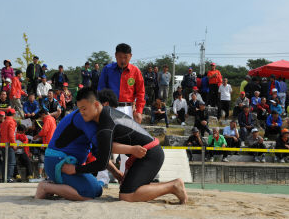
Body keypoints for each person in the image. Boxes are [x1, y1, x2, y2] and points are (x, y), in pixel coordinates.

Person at [36, 87, 188, 203]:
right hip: (59, 161)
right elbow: (103, 151)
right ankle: (47, 187)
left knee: (119, 193)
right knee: (99, 192)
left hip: (148, 154)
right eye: (80, 109)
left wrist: (118, 166)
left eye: (84, 109)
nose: (82, 113)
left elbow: (103, 152)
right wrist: (121, 165)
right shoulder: (91, 120)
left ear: (98, 105)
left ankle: (173, 186)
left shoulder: (102, 122)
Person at [98, 43, 145, 124]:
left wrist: (139, 111)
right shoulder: (107, 69)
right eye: (120, 57)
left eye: (125, 57)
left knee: (127, 135)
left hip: (128, 109)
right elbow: (101, 89)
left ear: (130, 56)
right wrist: (103, 103)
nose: (123, 60)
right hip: (110, 108)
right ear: (115, 55)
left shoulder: (136, 71)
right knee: (111, 134)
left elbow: (141, 92)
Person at [32, 108, 57, 179]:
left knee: (43, 159)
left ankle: (45, 176)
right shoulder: (52, 119)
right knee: (47, 159)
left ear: (43, 114)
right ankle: (49, 175)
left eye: (41, 116)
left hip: (47, 143)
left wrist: (37, 136)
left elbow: (44, 131)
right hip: (50, 142)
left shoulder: (47, 119)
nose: (41, 118)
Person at [0, 108, 17, 183]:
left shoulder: (3, 122)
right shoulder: (12, 122)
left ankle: (4, 177)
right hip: (9, 145)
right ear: (13, 114)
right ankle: (8, 178)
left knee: (5, 162)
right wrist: (14, 144)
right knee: (11, 162)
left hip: (3, 144)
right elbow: (11, 135)